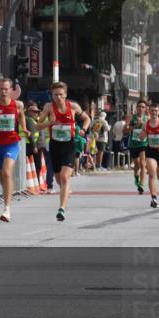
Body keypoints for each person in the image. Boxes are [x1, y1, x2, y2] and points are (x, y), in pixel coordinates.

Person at [35, 81, 91, 222]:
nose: (58, 97)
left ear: (65, 95)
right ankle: (65, 192)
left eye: (60, 94)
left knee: (65, 178)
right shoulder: (48, 107)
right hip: (54, 146)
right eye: (55, 95)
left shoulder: (73, 107)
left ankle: (61, 209)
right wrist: (50, 123)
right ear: (52, 96)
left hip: (69, 146)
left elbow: (87, 119)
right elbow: (37, 126)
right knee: (59, 179)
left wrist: (83, 130)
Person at [0, 78, 27, 222]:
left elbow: (21, 116)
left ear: (11, 90)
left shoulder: (18, 104)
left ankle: (7, 208)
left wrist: (25, 129)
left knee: (7, 173)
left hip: (11, 143)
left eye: (6, 89)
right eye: (1, 89)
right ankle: (7, 192)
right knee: (2, 178)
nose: (3, 91)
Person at [124, 99, 149, 193]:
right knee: (137, 166)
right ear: (136, 108)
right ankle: (137, 179)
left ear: (145, 109)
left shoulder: (148, 119)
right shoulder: (131, 118)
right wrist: (135, 126)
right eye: (139, 107)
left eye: (143, 107)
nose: (141, 109)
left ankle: (142, 185)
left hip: (144, 144)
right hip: (134, 144)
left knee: (143, 164)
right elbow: (125, 131)